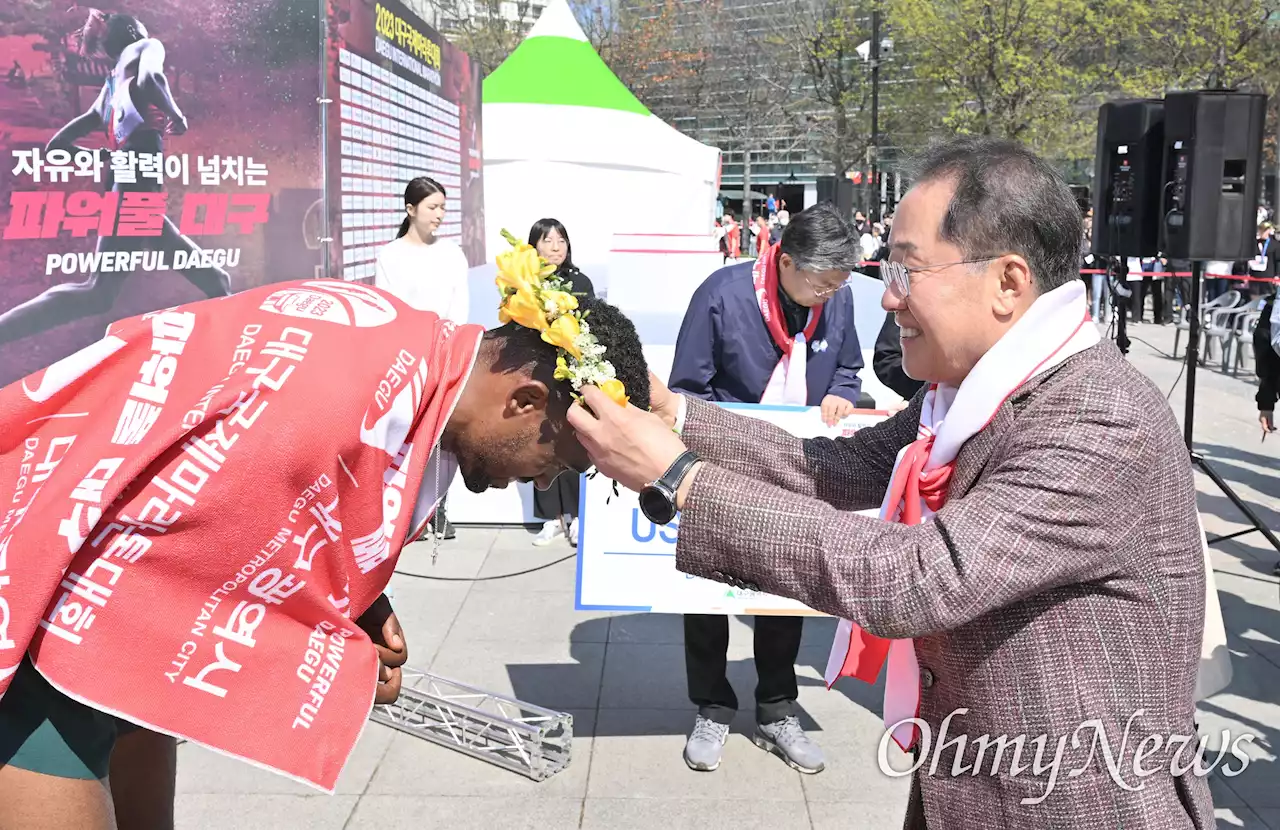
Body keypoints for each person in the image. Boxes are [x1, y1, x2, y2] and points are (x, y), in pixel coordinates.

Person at [568, 136, 1215, 829]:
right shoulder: (967, 395)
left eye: (907, 272)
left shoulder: (1096, 417)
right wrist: (676, 414)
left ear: (1008, 281)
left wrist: (681, 479)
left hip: (1078, 804)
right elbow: (835, 467)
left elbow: (917, 578)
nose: (891, 302)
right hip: (967, 788)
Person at [0, 248, 649, 829]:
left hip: (99, 643)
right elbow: (162, 594)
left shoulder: (397, 343)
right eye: (557, 461)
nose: (538, 482)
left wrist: (358, 601)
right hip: (42, 644)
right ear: (525, 401)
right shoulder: (325, 410)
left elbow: (258, 527)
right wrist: (336, 657)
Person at [668, 202, 865, 775]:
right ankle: (712, 703)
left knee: (788, 590)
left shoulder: (839, 297)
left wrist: (842, 395)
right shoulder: (722, 296)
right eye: (823, 283)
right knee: (706, 593)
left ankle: (777, 706)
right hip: (726, 470)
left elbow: (849, 368)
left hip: (800, 469)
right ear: (788, 263)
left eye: (839, 284)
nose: (831, 294)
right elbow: (688, 390)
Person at [0, 10, 230, 348]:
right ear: (135, 31)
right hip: (136, 187)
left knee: (208, 279)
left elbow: (57, 146)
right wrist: (176, 115)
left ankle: (227, 336)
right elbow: (153, 79)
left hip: (128, 187)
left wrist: (100, 157)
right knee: (99, 291)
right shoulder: (148, 46)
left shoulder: (108, 89)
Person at [375, 176, 471, 539]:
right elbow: (389, 308)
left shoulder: (451, 253)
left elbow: (458, 308)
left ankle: (437, 508)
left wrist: (448, 349)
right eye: (433, 207)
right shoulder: (391, 255)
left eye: (443, 207)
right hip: (405, 361)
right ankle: (401, 511)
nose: (439, 215)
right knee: (404, 435)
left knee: (442, 435)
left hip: (445, 358)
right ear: (410, 209)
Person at [527, 218, 594, 546]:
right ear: (534, 246)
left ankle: (579, 516)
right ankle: (552, 519)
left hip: (571, 375)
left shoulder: (580, 282)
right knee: (540, 447)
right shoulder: (525, 284)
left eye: (561, 241)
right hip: (535, 376)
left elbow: (593, 326)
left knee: (573, 445)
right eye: (547, 240)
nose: (555, 247)